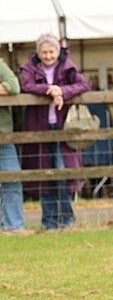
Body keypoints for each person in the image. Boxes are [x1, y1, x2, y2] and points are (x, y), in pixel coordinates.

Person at [19, 34, 92, 230]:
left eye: (51, 52)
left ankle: (66, 219)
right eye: (44, 52)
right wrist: (49, 89)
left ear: (58, 51)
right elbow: (26, 85)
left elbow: (84, 84)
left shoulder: (67, 66)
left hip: (63, 127)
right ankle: (49, 221)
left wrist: (62, 91)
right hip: (39, 127)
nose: (48, 56)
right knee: (45, 174)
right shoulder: (29, 68)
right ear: (38, 52)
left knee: (63, 171)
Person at [0, 55, 27, 233]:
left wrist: (6, 86)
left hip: (3, 135)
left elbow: (14, 86)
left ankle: (13, 226)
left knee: (12, 178)